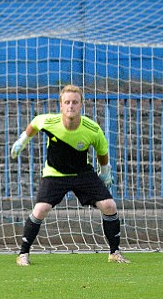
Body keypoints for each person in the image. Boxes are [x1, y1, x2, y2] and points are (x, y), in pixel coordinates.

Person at [10, 84, 130, 266]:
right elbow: (34, 124)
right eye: (67, 102)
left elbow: (102, 151)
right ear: (61, 106)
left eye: (75, 102)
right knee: (40, 209)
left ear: (81, 105)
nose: (71, 106)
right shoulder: (49, 121)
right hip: (54, 173)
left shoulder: (92, 128)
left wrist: (105, 172)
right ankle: (23, 254)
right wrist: (22, 140)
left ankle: (114, 252)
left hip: (82, 173)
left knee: (109, 205)